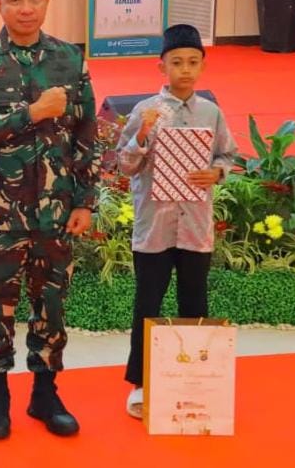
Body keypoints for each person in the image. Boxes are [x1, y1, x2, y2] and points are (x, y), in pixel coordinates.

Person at [0, 0, 99, 439]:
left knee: (51, 300)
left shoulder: (69, 59)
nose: (26, 8)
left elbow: (86, 133)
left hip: (56, 209)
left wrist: (84, 200)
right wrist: (31, 113)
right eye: (15, 0)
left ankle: (45, 393)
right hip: (0, 212)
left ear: (47, 0)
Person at [116, 24, 237, 419]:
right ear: (162, 67)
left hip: (195, 228)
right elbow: (124, 165)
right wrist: (142, 135)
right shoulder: (145, 111)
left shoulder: (211, 112)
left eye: (193, 62)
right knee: (147, 304)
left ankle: (194, 380)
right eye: (177, 62)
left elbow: (227, 155)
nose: (185, 70)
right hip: (155, 227)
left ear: (203, 65)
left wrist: (216, 173)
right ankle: (141, 383)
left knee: (194, 302)